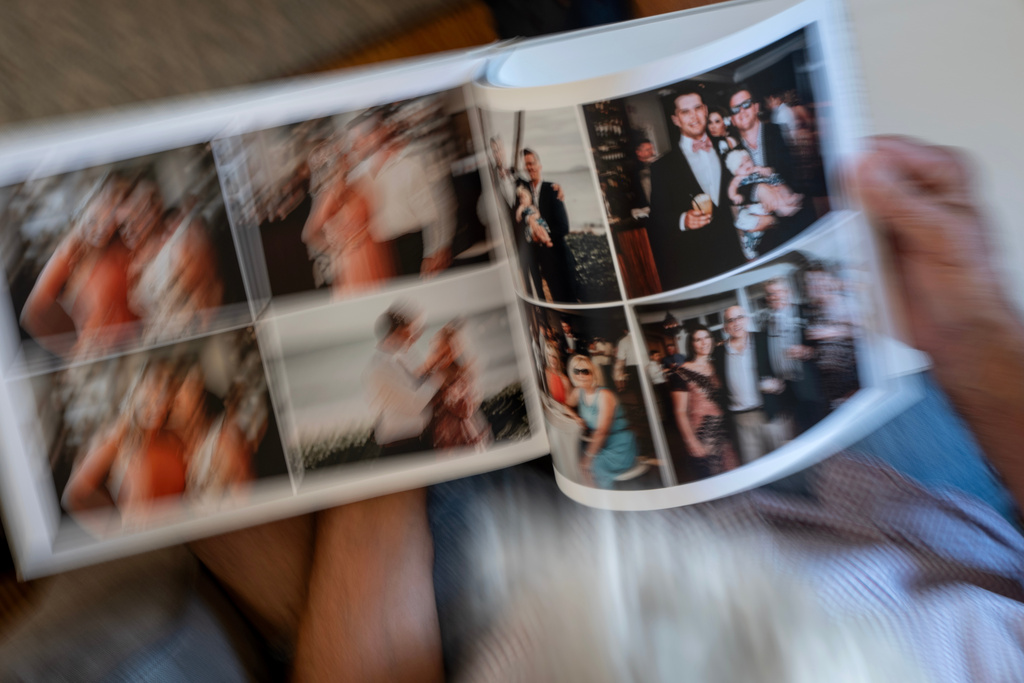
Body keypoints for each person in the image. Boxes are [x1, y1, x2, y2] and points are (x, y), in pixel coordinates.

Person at [94, 137, 1023, 683]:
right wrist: (977, 333)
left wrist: (390, 471)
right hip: (850, 511)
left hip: (519, 606)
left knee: (209, 453)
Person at [20, 175, 139, 357]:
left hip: (131, 339)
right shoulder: (70, 250)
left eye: (109, 222)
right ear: (82, 211)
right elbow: (31, 314)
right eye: (93, 220)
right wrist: (73, 352)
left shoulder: (120, 242)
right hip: (101, 351)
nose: (101, 229)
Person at [62, 359, 188, 529]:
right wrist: (114, 531)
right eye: (152, 390)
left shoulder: (170, 438)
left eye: (165, 393)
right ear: (136, 390)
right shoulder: (118, 437)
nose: (158, 401)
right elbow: (73, 496)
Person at [647, 88, 746, 290]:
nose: (694, 116)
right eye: (685, 112)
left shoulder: (728, 147)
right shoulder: (662, 167)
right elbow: (656, 219)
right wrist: (683, 220)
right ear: (676, 120)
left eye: (698, 108)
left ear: (706, 110)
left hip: (736, 256)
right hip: (698, 265)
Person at [726, 86, 814, 256]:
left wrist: (775, 205)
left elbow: (798, 178)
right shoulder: (733, 153)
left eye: (746, 104)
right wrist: (758, 189)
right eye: (735, 109)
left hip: (797, 226)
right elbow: (733, 190)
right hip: (766, 242)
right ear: (733, 119)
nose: (742, 111)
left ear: (756, 107)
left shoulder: (779, 131)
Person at [363, 116, 453, 280]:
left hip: (410, 243)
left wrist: (437, 248)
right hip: (380, 250)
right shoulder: (364, 170)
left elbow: (436, 205)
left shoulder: (414, 159)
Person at [301, 138, 394, 296]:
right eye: (342, 157)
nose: (347, 158)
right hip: (354, 258)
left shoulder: (354, 185)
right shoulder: (330, 194)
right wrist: (335, 249)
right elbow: (308, 234)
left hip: (372, 249)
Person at [366, 303, 442, 457]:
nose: (412, 339)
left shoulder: (397, 357)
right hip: (401, 448)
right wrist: (439, 378)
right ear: (391, 338)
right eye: (406, 334)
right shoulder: (380, 369)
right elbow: (415, 405)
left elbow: (418, 377)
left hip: (416, 441)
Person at [713, 305, 782, 465]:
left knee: (780, 461)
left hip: (768, 412)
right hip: (741, 419)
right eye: (731, 320)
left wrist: (778, 384)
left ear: (747, 319)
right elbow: (719, 386)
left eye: (739, 318)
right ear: (725, 327)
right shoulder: (719, 353)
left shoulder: (763, 339)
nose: (736, 323)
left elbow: (780, 369)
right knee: (754, 467)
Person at [669, 324, 739, 478]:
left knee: (733, 474)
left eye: (706, 337)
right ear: (692, 344)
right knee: (714, 477)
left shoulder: (718, 366)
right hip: (703, 433)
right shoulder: (680, 373)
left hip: (725, 430)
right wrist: (690, 441)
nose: (704, 342)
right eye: (698, 340)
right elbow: (679, 411)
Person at [759, 277, 823, 434]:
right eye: (770, 294)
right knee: (800, 435)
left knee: (820, 431)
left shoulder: (805, 313)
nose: (774, 296)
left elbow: (823, 347)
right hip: (784, 392)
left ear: (788, 292)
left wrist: (809, 351)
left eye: (778, 292)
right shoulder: (766, 323)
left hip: (810, 388)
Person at [565, 354, 638, 488]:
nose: (580, 375)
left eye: (585, 371)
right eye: (577, 371)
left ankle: (604, 498)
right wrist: (576, 417)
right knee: (577, 462)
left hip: (620, 445)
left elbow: (602, 431)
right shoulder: (578, 392)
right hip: (602, 444)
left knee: (591, 466)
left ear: (593, 373)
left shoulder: (604, 395)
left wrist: (587, 459)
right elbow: (566, 405)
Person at [724, 147, 805, 260]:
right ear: (735, 171)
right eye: (741, 165)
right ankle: (750, 246)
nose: (746, 165)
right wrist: (734, 196)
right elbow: (732, 188)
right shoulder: (738, 178)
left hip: (767, 199)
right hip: (754, 206)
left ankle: (788, 202)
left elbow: (766, 171)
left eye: (747, 160)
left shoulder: (755, 169)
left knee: (776, 193)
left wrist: (766, 170)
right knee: (752, 224)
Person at [801, 261, 860, 410]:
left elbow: (868, 332)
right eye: (810, 282)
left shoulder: (844, 303)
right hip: (830, 386)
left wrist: (835, 331)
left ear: (828, 280)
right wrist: (810, 352)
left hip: (852, 382)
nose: (815, 285)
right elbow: (825, 349)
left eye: (819, 280)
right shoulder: (815, 311)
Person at [428, 320, 493, 450]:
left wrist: (450, 395)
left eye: (446, 354)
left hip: (465, 438)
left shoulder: (462, 377)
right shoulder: (431, 375)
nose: (440, 357)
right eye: (437, 351)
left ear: (455, 353)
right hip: (443, 440)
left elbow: (465, 410)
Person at [520, 148, 574, 302]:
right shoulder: (524, 192)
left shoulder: (552, 189)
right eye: (526, 165)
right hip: (543, 261)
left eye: (532, 163)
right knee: (557, 300)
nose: (530, 167)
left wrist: (542, 237)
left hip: (559, 257)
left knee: (569, 299)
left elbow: (563, 227)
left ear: (540, 166)